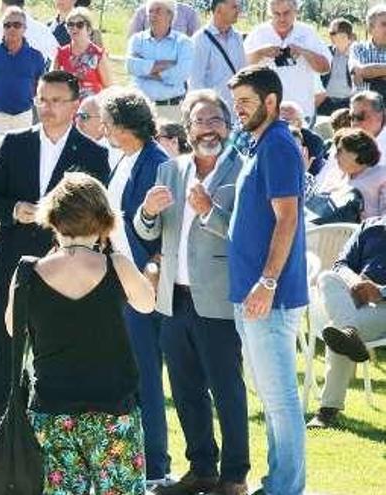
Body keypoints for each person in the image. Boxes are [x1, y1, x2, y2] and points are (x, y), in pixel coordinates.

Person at [0, 70, 110, 473]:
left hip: (67, 268)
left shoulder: (93, 154)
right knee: (2, 350)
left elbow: (99, 215)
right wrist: (15, 210)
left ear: (76, 105)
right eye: (42, 99)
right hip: (15, 263)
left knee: (56, 353)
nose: (48, 107)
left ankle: (52, 445)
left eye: (57, 100)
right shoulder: (15, 142)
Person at [133, 90, 249, 495]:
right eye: (200, 122)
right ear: (187, 129)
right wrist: (146, 212)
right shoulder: (170, 170)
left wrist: (209, 212)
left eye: (216, 120)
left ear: (229, 126)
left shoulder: (243, 171)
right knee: (185, 389)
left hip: (218, 299)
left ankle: (234, 477)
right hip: (172, 298)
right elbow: (148, 231)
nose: (208, 129)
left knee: (226, 389)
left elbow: (246, 236)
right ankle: (202, 469)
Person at [12, 172, 152, 495]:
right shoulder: (117, 265)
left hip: (52, 409)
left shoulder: (28, 272)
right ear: (104, 221)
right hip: (113, 411)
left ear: (53, 219)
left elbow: (12, 327)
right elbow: (147, 304)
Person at [226, 64, 308, 495]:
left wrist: (268, 282)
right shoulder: (259, 144)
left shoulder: (277, 145)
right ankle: (277, 484)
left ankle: (286, 489)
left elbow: (288, 217)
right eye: (235, 102)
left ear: (271, 102)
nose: (237, 110)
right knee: (272, 401)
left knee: (281, 401)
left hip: (269, 297)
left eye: (246, 102)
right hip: (252, 293)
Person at [98, 86, 172, 488]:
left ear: (125, 124)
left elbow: (158, 228)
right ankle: (133, 457)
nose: (105, 129)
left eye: (109, 122)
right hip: (119, 276)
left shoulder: (156, 161)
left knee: (145, 374)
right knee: (127, 374)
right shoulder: (125, 158)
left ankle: (156, 464)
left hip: (142, 282)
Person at [307, 214, 386, 428]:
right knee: (327, 278)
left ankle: (327, 411)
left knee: (338, 331)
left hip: (383, 308)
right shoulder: (371, 226)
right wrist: (355, 282)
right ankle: (348, 330)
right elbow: (340, 265)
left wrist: (380, 292)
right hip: (353, 300)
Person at [0, 6, 47, 181]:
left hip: (22, 116)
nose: (12, 29)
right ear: (2, 27)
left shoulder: (36, 56)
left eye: (17, 25)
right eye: (8, 25)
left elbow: (39, 84)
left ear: (24, 28)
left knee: (20, 160)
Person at [244, 0, 330, 122]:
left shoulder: (308, 33)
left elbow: (325, 68)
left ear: (296, 11)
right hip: (266, 114)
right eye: (276, 14)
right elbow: (240, 68)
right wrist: (260, 53)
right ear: (270, 13)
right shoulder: (258, 34)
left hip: (301, 113)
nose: (282, 18)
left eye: (286, 13)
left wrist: (304, 52)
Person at [126, 0, 194, 123]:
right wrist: (166, 65)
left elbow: (181, 74)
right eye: (150, 11)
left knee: (170, 142)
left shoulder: (183, 42)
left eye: (158, 11)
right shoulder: (137, 40)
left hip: (171, 109)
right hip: (140, 108)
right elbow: (130, 66)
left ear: (170, 15)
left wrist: (144, 70)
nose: (153, 15)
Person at [189, 0, 245, 114]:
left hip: (236, 112)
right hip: (213, 114)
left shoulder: (237, 38)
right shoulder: (200, 40)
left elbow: (242, 73)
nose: (238, 11)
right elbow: (195, 83)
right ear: (219, 9)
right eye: (234, 7)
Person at [320, 128, 386, 219]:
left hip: (364, 230)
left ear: (357, 153)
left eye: (339, 151)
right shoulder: (336, 175)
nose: (335, 156)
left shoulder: (382, 176)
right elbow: (319, 205)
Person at [53, 6, 113, 97]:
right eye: (70, 24)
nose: (74, 28)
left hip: (92, 107)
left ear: (89, 29)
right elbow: (52, 82)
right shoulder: (61, 53)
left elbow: (109, 87)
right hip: (67, 105)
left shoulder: (98, 55)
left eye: (79, 25)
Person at [318, 18, 355, 117]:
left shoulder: (357, 54)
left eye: (333, 33)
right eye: (330, 32)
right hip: (326, 103)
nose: (330, 36)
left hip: (349, 104)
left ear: (347, 35)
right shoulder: (325, 52)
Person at [349, 4, 386, 100]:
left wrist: (371, 74)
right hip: (364, 110)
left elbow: (364, 72)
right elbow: (358, 71)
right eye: (384, 24)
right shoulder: (358, 48)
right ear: (370, 28)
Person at [279, 101, 326, 175]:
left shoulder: (313, 141)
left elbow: (314, 173)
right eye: (278, 120)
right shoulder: (269, 136)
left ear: (299, 123)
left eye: (286, 121)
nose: (281, 125)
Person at [128, 0, 199, 38]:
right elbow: (132, 41)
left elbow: (195, 44)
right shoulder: (142, 12)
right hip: (149, 60)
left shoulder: (189, 12)